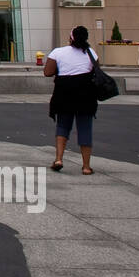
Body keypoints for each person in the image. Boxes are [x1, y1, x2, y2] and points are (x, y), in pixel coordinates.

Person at [44, 25, 99, 175]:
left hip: (64, 93)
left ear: (71, 37)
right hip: (86, 95)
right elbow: (95, 73)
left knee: (63, 126)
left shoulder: (58, 52)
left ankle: (59, 159)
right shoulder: (91, 53)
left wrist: (61, 69)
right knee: (85, 129)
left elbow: (47, 72)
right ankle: (86, 167)